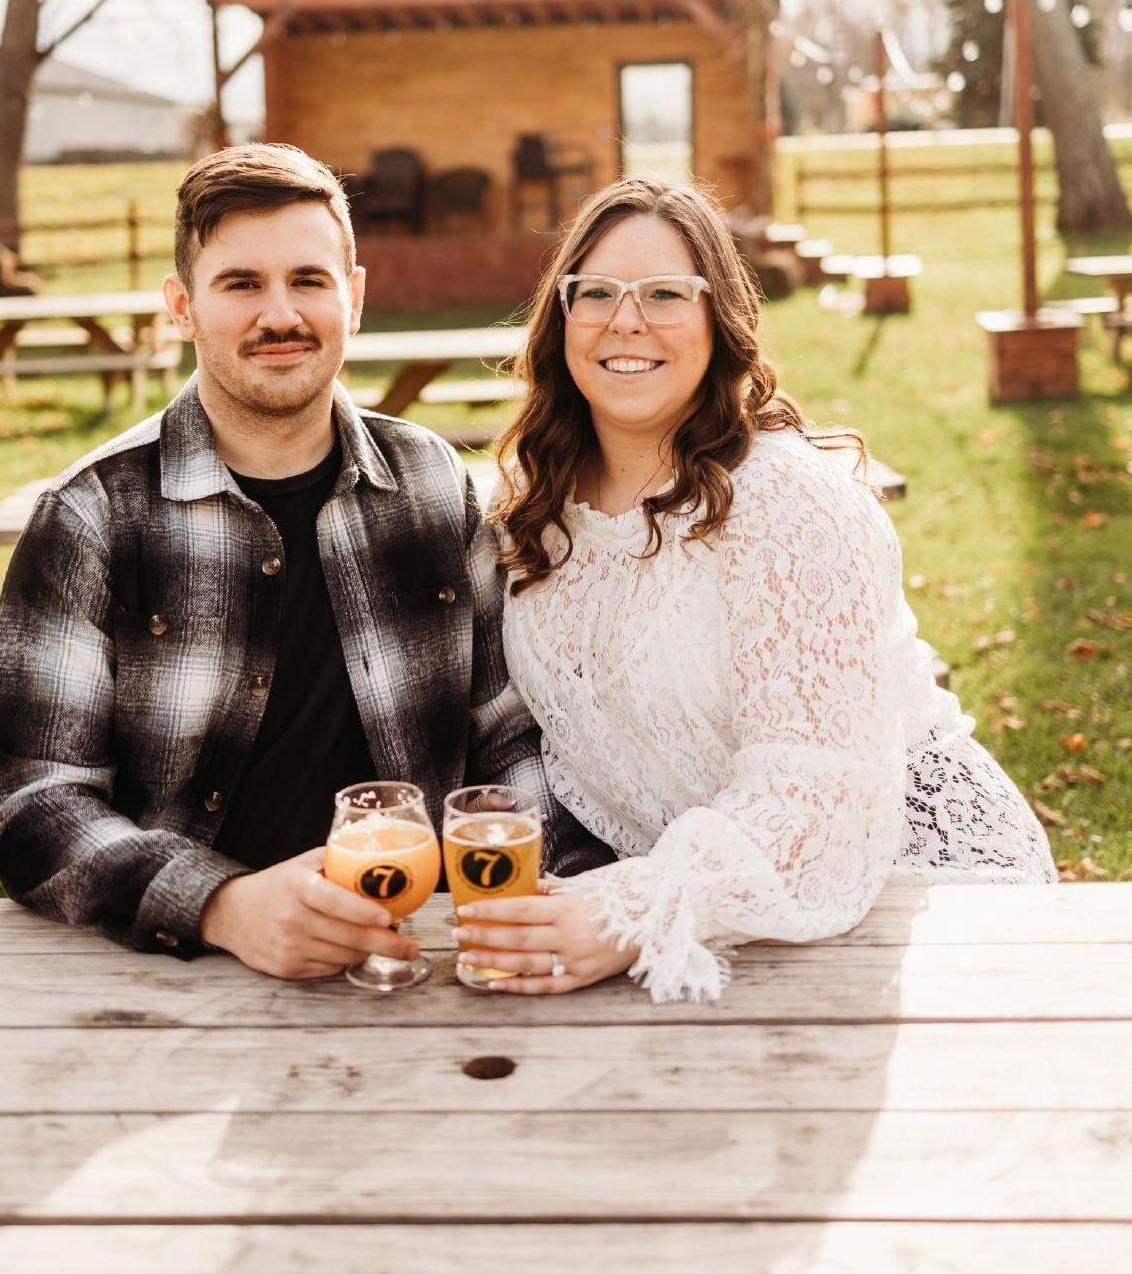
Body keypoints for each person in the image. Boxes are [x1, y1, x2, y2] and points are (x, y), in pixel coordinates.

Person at [0, 142, 609, 980]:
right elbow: (31, 804)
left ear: (354, 296)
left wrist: (547, 894)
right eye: (242, 284)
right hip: (180, 972)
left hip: (418, 955)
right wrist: (220, 904)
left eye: (308, 280)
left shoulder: (430, 482)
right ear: (182, 306)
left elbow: (502, 734)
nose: (281, 314)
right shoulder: (95, 514)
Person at [450, 177, 1056, 1004]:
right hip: (707, 900)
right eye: (596, 292)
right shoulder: (531, 505)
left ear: (719, 321)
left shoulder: (787, 501)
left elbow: (816, 783)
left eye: (666, 292)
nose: (627, 319)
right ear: (562, 320)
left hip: (904, 879)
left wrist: (630, 910)